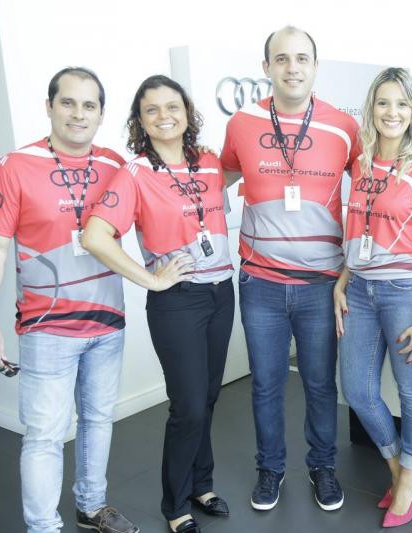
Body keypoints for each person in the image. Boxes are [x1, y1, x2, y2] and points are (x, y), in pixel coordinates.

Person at [0, 67, 139, 533]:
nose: (78, 114)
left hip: (107, 323)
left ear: (101, 114)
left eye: (89, 105)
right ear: (49, 106)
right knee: (45, 435)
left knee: (98, 420)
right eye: (67, 102)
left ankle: (92, 506)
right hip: (47, 330)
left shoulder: (116, 165)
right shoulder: (14, 166)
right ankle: (44, 527)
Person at [82, 75, 235, 533]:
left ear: (187, 112)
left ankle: (201, 485)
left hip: (221, 291)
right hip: (178, 302)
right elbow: (95, 236)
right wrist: (151, 279)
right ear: (140, 120)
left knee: (208, 397)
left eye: (173, 106)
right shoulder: (134, 173)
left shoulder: (208, 162)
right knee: (188, 406)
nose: (164, 116)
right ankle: (175, 505)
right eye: (152, 109)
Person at [219, 25, 359, 512]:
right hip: (260, 281)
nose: (292, 67)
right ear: (266, 67)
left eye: (302, 58)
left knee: (320, 383)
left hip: (322, 283)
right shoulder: (242, 123)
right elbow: (220, 177)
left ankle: (322, 467)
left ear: (315, 66)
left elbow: (373, 186)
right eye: (282, 59)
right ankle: (270, 469)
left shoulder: (344, 126)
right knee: (265, 383)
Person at [335, 67, 412, 528]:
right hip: (360, 290)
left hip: (407, 292)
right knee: (357, 389)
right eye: (384, 102)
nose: (392, 112)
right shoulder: (360, 164)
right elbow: (360, 229)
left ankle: (408, 478)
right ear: (372, 108)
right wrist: (344, 278)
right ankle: (397, 467)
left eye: (402, 103)